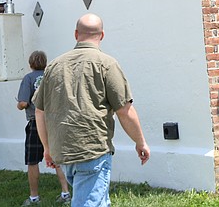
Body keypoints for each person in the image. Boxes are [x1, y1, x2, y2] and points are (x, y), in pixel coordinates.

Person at [34, 14, 150, 207]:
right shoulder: (107, 64)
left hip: (63, 152)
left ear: (76, 34)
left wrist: (47, 148)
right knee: (89, 202)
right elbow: (124, 110)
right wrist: (140, 142)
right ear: (102, 35)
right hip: (91, 150)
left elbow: (40, 111)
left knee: (98, 200)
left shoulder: (54, 66)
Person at [16, 50, 71, 206]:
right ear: (45, 63)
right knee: (57, 157)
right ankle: (65, 193)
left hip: (35, 123)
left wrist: (19, 105)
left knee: (32, 161)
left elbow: (24, 103)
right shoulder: (52, 77)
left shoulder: (28, 78)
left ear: (30, 64)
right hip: (53, 122)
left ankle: (34, 197)